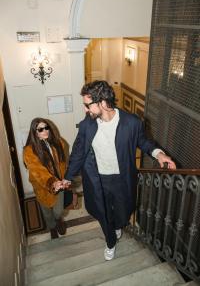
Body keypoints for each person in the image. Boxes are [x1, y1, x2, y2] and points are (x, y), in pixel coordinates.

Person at [62, 80, 176, 260]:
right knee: (102, 213)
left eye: (87, 105)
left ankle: (116, 227)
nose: (85, 110)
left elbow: (143, 141)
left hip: (122, 179)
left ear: (103, 102)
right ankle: (110, 242)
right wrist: (68, 177)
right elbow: (78, 151)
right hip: (97, 180)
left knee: (123, 212)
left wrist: (159, 155)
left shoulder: (132, 122)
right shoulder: (87, 124)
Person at [23, 117, 70, 239]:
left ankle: (58, 220)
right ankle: (52, 228)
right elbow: (38, 171)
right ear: (35, 133)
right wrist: (52, 183)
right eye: (41, 129)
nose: (45, 131)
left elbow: (63, 163)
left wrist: (65, 178)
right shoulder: (29, 151)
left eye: (46, 127)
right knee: (47, 212)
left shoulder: (58, 143)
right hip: (42, 187)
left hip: (59, 183)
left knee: (58, 211)